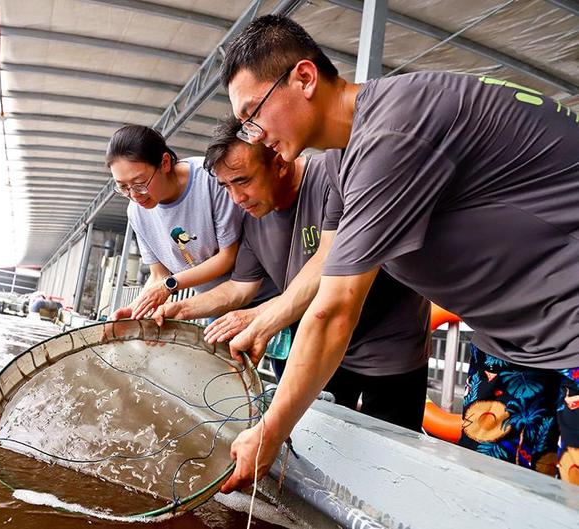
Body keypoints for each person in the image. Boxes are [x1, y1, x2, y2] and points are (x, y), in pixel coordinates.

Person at [219, 14, 579, 491]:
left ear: (304, 78)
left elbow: (335, 308)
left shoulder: (395, 130)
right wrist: (264, 316)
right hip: (511, 340)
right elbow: (332, 260)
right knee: (489, 496)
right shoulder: (343, 158)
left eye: (253, 114)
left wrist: (271, 430)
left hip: (569, 321)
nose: (254, 135)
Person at [153, 115, 430, 432]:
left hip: (390, 345)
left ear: (280, 162)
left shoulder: (333, 177)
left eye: (243, 181)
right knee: (320, 442)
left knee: (393, 450)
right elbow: (240, 289)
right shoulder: (252, 214)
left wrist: (259, 318)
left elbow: (330, 269)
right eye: (226, 186)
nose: (236, 198)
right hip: (322, 345)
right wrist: (180, 308)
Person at [106, 124, 274, 320]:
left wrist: (170, 285)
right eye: (123, 188)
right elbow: (158, 275)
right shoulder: (136, 212)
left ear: (165, 163)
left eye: (140, 184)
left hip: (259, 293)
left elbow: (227, 257)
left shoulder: (210, 179)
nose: (134, 196)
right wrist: (134, 311)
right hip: (213, 303)